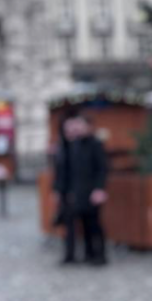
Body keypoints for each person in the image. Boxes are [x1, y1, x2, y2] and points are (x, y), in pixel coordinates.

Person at [52, 113, 109, 265]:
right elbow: (63, 171)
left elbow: (101, 169)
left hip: (90, 190)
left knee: (93, 224)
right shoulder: (69, 145)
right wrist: (59, 189)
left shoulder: (95, 144)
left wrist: (99, 188)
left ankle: (98, 255)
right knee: (75, 224)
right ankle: (78, 254)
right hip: (74, 191)